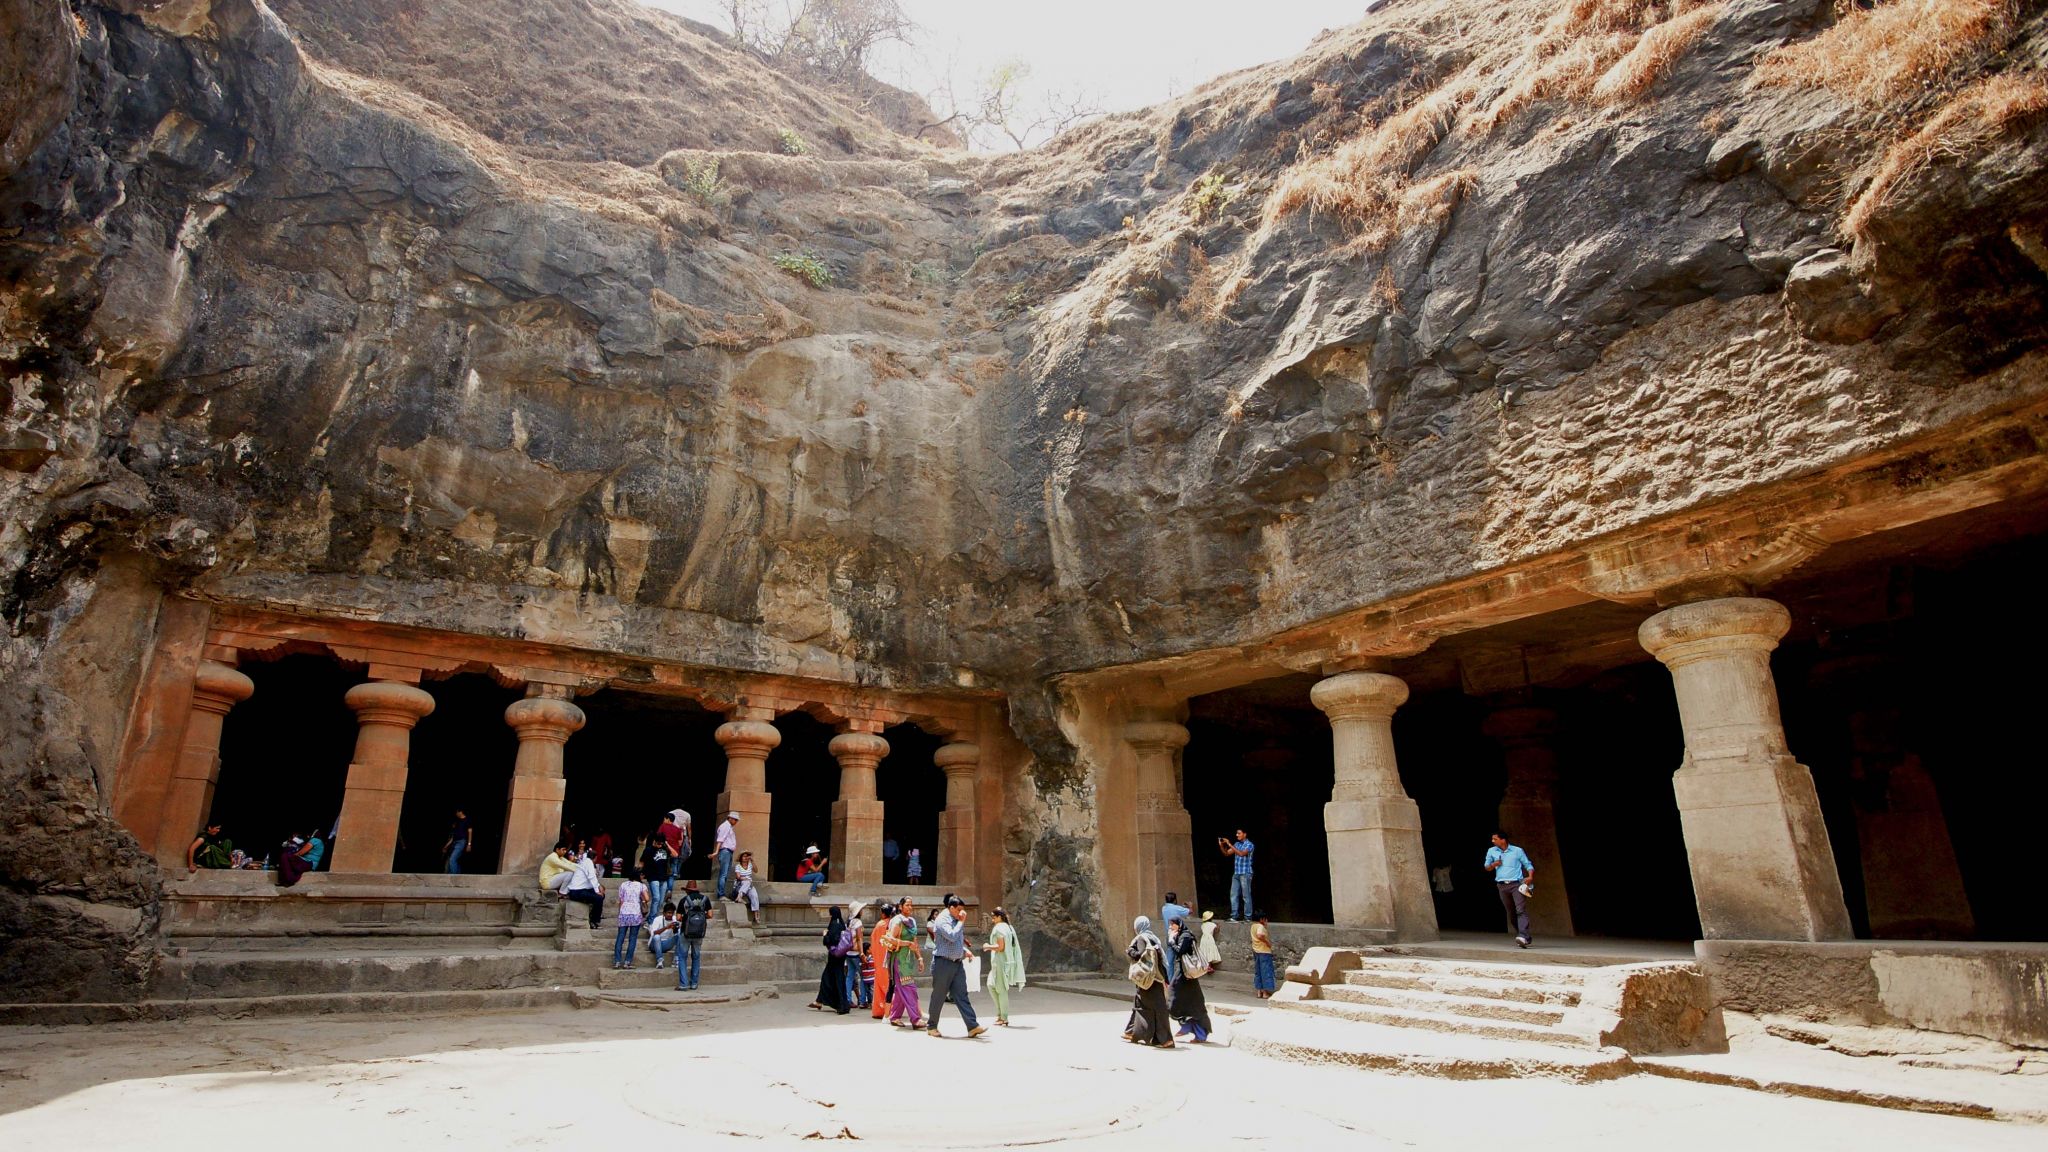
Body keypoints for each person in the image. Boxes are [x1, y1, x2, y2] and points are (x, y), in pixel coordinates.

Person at [926, 893, 985, 1038]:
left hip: (957, 963)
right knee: (939, 996)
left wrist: (965, 951)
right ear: (951, 908)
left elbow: (957, 941)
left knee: (961, 995)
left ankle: (972, 1026)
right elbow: (951, 936)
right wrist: (961, 921)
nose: (961, 912)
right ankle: (932, 1026)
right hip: (943, 963)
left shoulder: (955, 919)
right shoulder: (942, 920)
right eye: (959, 909)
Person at [1122, 916, 1173, 1047]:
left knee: (1156, 1008)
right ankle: (1132, 1031)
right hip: (1156, 978)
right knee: (1140, 1003)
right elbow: (1161, 959)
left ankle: (1165, 1039)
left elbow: (1140, 954)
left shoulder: (1141, 938)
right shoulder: (1153, 938)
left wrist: (1130, 951)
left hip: (1147, 979)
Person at [1484, 830, 1536, 948]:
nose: (1492, 841)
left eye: (1495, 839)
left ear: (1503, 840)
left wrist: (1530, 877)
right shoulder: (1491, 851)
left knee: (1520, 910)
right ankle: (1525, 936)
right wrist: (1493, 865)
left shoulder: (1517, 851)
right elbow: (1486, 867)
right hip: (1502, 885)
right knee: (1511, 913)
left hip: (1517, 884)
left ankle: (1522, 935)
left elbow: (1528, 864)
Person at [1168, 917, 1214, 1043]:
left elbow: (1180, 950)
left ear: (1179, 925)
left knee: (1177, 999)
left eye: (1173, 925)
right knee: (1189, 1004)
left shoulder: (1186, 936)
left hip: (1185, 974)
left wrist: (1172, 941)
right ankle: (1187, 1027)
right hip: (1184, 974)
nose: (1171, 927)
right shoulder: (1180, 935)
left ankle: (1195, 1031)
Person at [981, 906, 1025, 1026]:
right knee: (991, 985)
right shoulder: (1007, 927)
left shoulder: (1000, 928)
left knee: (1001, 989)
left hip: (1001, 961)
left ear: (999, 917)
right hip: (1002, 961)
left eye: (994, 917)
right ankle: (1000, 1014)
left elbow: (1001, 947)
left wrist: (988, 946)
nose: (992, 920)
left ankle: (1003, 1017)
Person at [885, 897, 924, 1028]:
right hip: (898, 959)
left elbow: (915, 940)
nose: (910, 907)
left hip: (908, 959)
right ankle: (915, 1019)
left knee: (901, 987)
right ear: (901, 906)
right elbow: (890, 938)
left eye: (911, 905)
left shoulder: (912, 921)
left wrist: (919, 957)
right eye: (907, 905)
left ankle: (895, 1016)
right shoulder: (897, 920)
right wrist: (906, 943)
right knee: (909, 987)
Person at [811, 906, 853, 1014]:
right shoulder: (841, 924)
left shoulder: (834, 925)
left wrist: (825, 935)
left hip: (834, 957)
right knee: (828, 977)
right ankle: (819, 1001)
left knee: (833, 978)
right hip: (840, 956)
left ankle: (841, 1005)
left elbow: (832, 940)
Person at [676, 879, 712, 990]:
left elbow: (678, 918)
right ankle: (694, 983)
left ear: (687, 890)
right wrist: (700, 918)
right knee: (696, 957)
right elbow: (710, 915)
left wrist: (688, 919)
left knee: (682, 957)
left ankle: (683, 984)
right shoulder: (705, 899)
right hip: (699, 933)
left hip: (686, 932)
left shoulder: (684, 900)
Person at [612, 867, 649, 969]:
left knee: (620, 937)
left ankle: (617, 961)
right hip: (635, 913)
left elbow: (621, 900)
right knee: (632, 938)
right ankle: (627, 962)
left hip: (624, 912)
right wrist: (641, 900)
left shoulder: (623, 885)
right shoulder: (642, 886)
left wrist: (620, 912)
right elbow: (647, 898)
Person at [1217, 828, 1255, 920]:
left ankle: (1248, 917)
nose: (1237, 835)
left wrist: (1229, 844)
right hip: (1237, 873)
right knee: (1233, 895)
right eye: (1236, 833)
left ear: (1244, 834)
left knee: (1246, 896)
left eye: (1239, 833)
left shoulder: (1249, 845)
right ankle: (1234, 916)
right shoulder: (1237, 844)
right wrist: (1222, 845)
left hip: (1245, 873)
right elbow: (1227, 853)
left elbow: (1242, 854)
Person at [564, 848, 605, 929]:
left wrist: (599, 886)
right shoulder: (589, 862)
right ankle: (594, 921)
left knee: (601, 895)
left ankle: (594, 914)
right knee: (599, 898)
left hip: (580, 889)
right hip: (576, 891)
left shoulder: (585, 862)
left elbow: (590, 880)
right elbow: (591, 877)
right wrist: (597, 891)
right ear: (595, 858)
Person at [868, 897, 895, 1020]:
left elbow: (874, 941)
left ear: (883, 913)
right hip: (892, 958)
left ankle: (881, 1010)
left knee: (881, 985)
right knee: (890, 984)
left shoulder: (880, 925)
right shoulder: (894, 924)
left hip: (880, 959)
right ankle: (892, 1009)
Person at [641, 823, 674, 912]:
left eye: (661, 843)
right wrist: (640, 873)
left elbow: (675, 854)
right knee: (656, 898)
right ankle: (650, 920)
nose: (659, 845)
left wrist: (666, 844)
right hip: (653, 877)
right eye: (658, 843)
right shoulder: (648, 850)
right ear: (654, 841)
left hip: (664, 878)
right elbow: (641, 863)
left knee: (660, 901)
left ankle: (652, 918)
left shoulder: (665, 849)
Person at [1159, 892, 1191, 982]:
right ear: (1175, 900)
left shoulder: (1164, 908)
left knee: (1169, 960)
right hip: (1178, 936)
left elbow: (1173, 910)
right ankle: (1185, 978)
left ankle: (1170, 980)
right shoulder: (1178, 908)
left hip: (1169, 935)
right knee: (1184, 957)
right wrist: (1189, 906)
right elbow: (1189, 912)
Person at [709, 812, 740, 900]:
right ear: (730, 818)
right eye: (735, 819)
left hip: (728, 851)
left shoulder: (729, 827)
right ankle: (721, 894)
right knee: (723, 874)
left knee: (725, 874)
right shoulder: (725, 826)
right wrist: (716, 851)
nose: (736, 821)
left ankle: (722, 893)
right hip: (725, 851)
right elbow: (720, 840)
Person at [1250, 912, 1277, 998]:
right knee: (1266, 971)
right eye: (1265, 919)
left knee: (1258, 971)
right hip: (1264, 951)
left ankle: (1259, 991)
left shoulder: (1253, 926)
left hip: (1256, 950)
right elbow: (1260, 935)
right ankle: (1265, 993)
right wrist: (1267, 942)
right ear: (1261, 919)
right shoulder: (1260, 927)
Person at [647, 900, 681, 970]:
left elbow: (676, 935)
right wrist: (666, 927)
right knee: (657, 937)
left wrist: (676, 928)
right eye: (668, 913)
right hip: (653, 945)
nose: (670, 915)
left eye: (672, 913)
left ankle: (676, 959)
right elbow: (654, 933)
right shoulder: (657, 919)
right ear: (664, 913)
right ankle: (660, 961)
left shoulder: (675, 919)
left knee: (680, 934)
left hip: (666, 944)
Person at [844, 904, 866, 1008]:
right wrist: (862, 953)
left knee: (849, 977)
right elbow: (859, 938)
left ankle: (847, 999)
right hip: (856, 953)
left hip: (848, 952)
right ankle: (862, 1000)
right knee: (863, 976)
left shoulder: (848, 922)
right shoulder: (858, 922)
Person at [731, 850, 761, 926]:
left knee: (755, 896)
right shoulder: (738, 866)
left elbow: (756, 870)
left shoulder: (750, 864)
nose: (745, 858)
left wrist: (753, 861)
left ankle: (756, 916)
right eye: (744, 856)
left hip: (749, 885)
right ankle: (739, 896)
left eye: (747, 856)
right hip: (740, 885)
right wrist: (746, 879)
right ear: (741, 858)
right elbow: (738, 877)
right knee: (747, 882)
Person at [443, 808, 472, 875]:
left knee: (452, 859)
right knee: (456, 861)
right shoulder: (458, 822)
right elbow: (453, 837)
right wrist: (446, 846)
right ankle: (458, 877)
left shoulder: (467, 820)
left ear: (460, 812)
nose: (456, 814)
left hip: (461, 842)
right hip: (454, 843)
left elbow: (470, 832)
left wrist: (469, 844)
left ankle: (453, 878)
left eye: (456, 812)